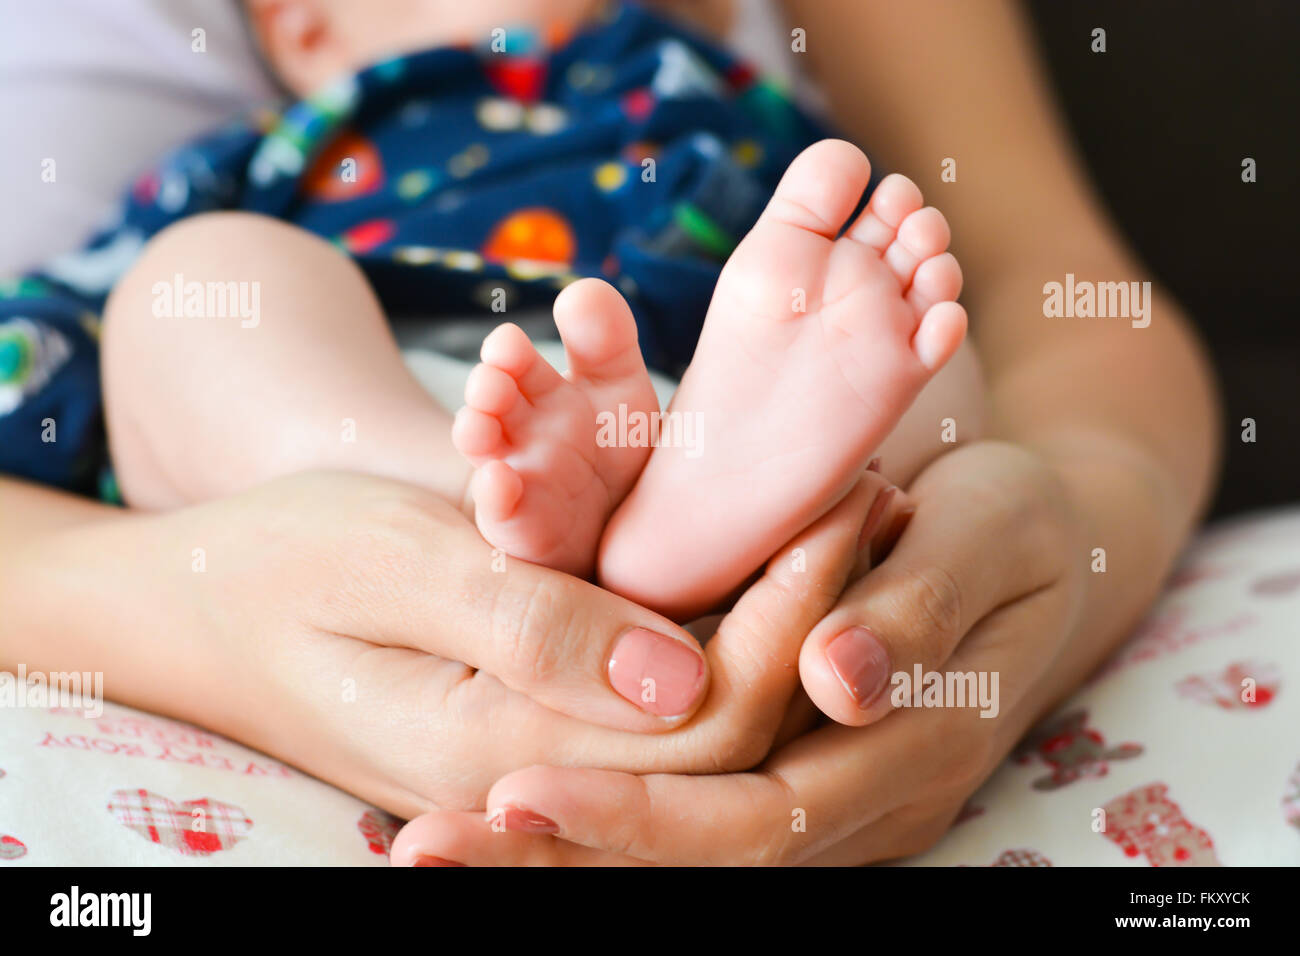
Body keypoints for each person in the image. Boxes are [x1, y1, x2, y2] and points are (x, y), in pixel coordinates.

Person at [0, 0, 1217, 865]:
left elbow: (1037, 293)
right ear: (310, 29)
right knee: (198, 283)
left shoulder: (739, 113)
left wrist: (1042, 501)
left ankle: (692, 515)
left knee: (929, 356)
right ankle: (481, 501)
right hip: (382, 401)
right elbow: (57, 336)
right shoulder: (281, 149)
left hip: (696, 403)